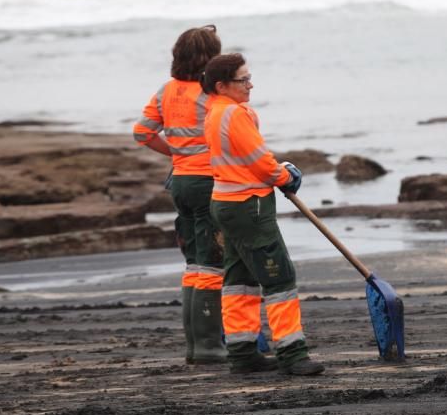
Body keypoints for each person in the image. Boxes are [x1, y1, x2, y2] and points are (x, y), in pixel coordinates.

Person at [201, 53, 325, 376]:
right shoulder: (234, 114)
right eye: (243, 80)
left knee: (239, 279)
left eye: (249, 77)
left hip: (226, 204)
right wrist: (286, 176)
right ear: (222, 85)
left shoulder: (214, 112)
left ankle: (242, 353)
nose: (250, 84)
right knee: (279, 277)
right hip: (249, 206)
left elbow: (246, 159)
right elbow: (260, 162)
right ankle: (293, 353)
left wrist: (277, 171)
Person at [133, 25, 227, 364]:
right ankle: (209, 347)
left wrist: (176, 153)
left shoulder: (166, 91)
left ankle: (195, 347)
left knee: (193, 264)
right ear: (210, 58)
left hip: (180, 182)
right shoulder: (211, 95)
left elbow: (141, 132)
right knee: (211, 263)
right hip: (207, 182)